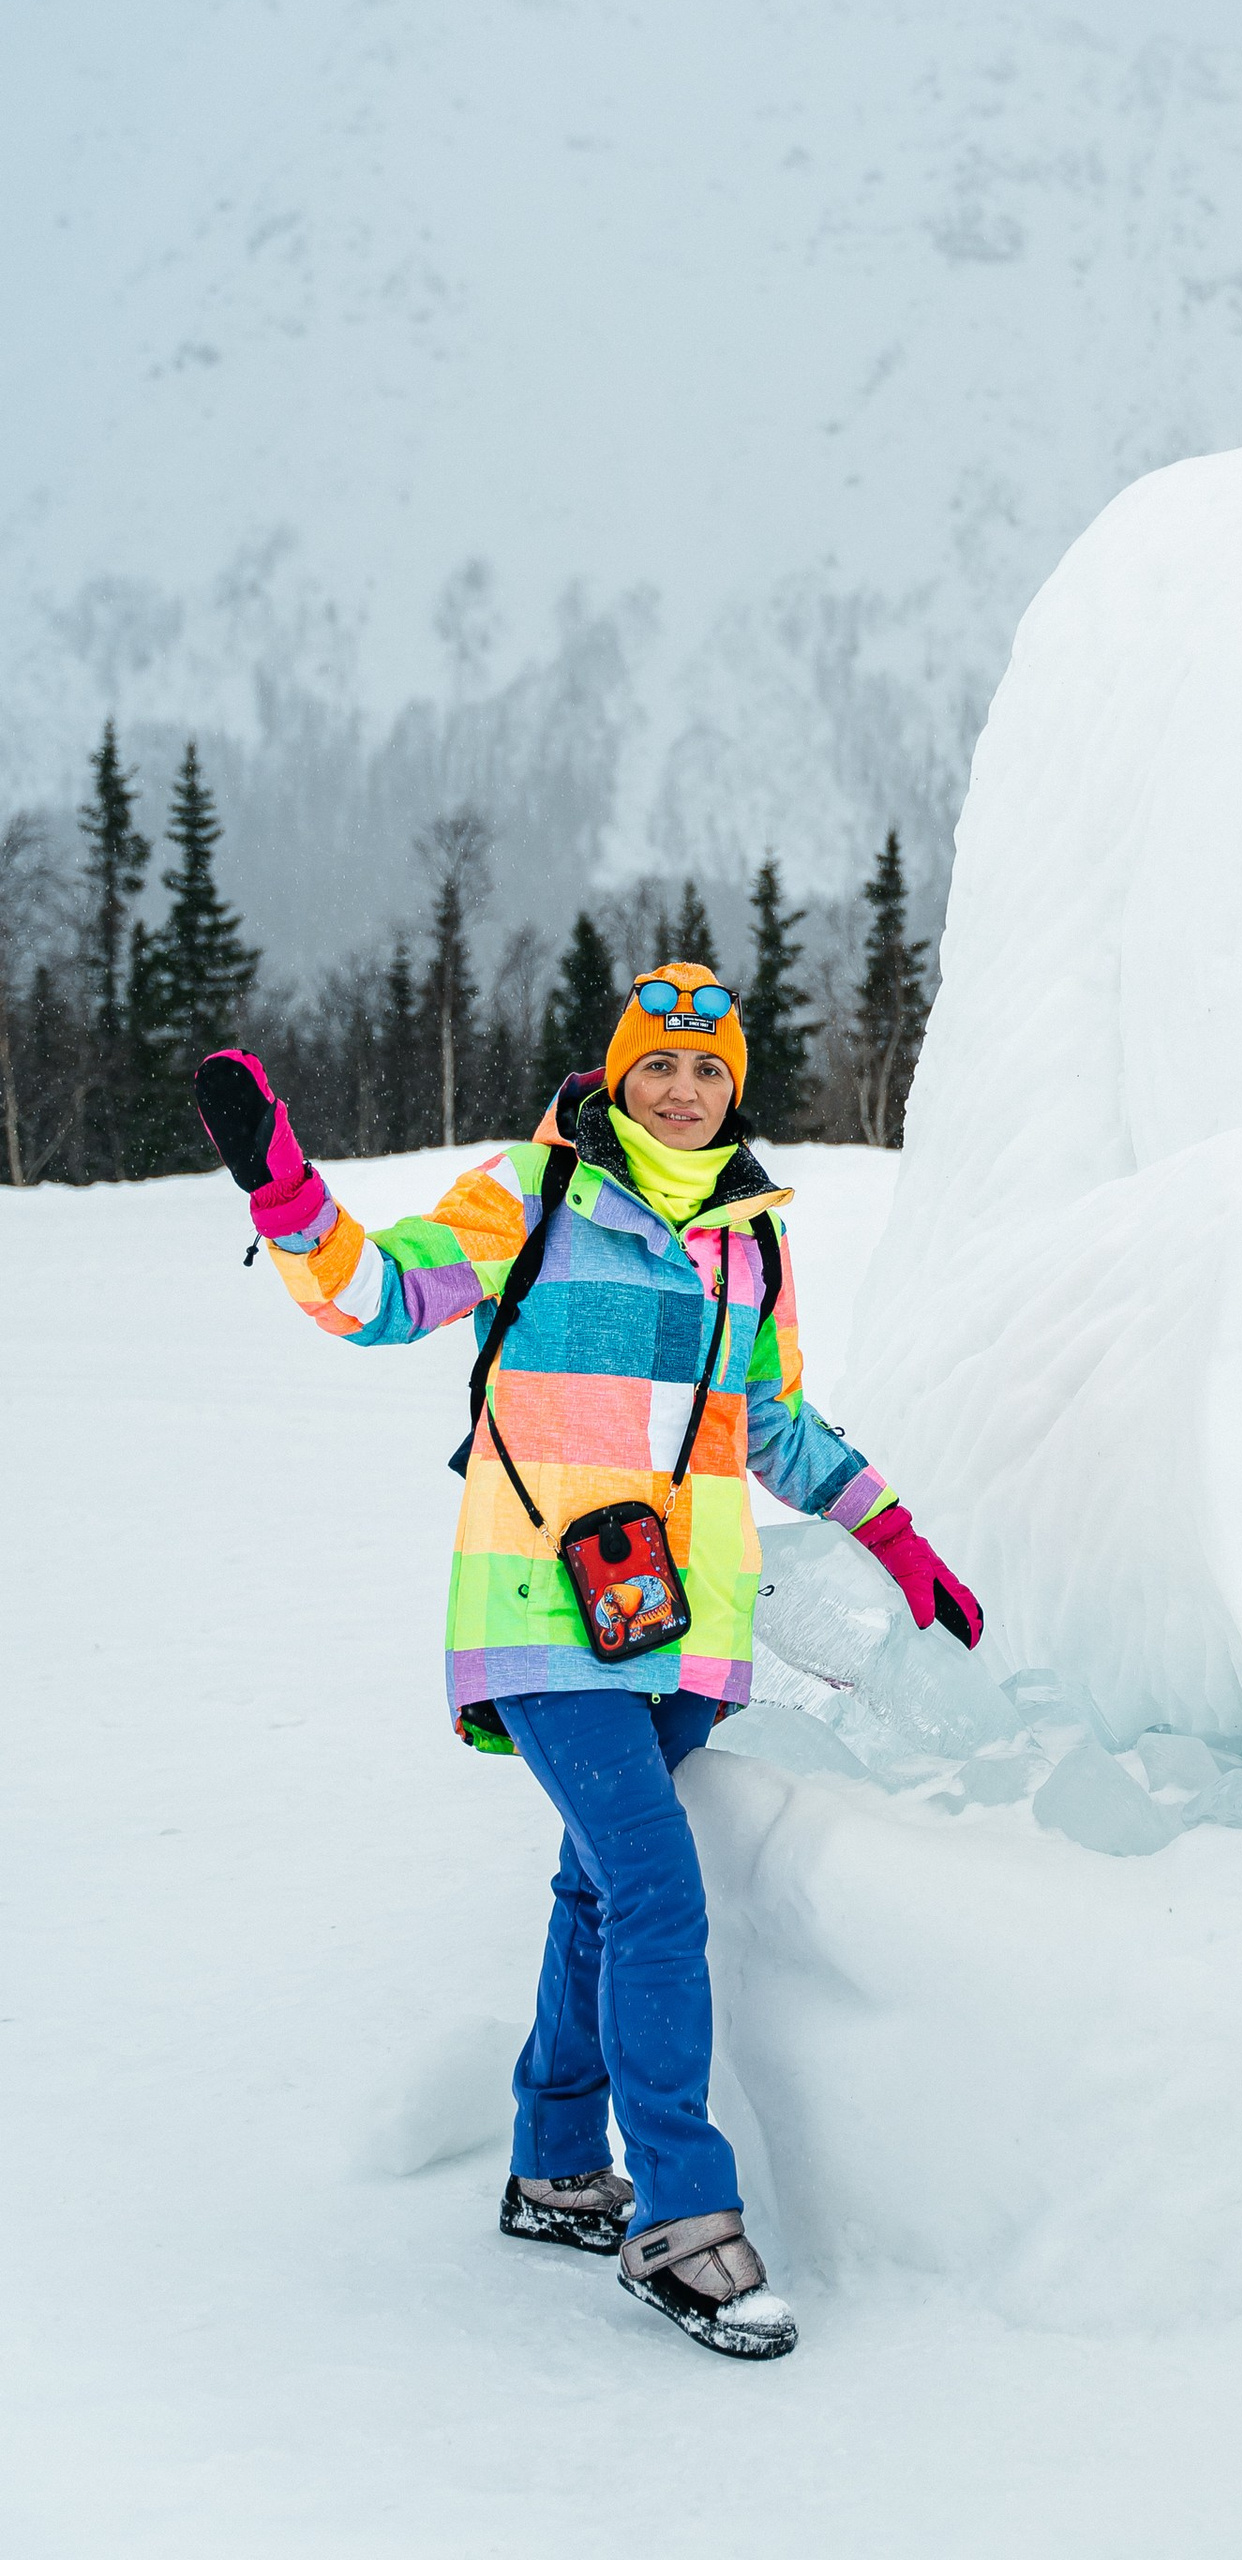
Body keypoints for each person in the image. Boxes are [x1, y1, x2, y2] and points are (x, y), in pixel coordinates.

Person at [195, 958, 980, 2362]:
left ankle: (557, 2164)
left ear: (737, 1085)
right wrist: (289, 1196)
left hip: (687, 1624)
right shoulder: (533, 1192)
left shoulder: (753, 1240)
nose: (681, 1090)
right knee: (657, 1884)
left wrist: (898, 1536)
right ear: (617, 1072)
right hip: (538, 1610)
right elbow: (381, 1295)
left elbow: (780, 1426)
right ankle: (681, 2215)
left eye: (710, 1070)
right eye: (658, 1064)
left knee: (601, 1887)